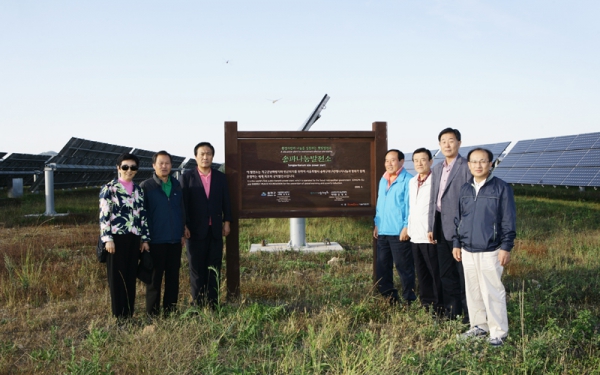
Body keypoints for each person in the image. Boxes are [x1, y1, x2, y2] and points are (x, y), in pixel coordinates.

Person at [453, 148, 516, 346]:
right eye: (474, 162)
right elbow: (459, 219)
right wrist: (457, 243)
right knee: (473, 290)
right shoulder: (465, 189)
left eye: (483, 161)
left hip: (491, 249)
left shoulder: (501, 188)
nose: (478, 165)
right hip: (467, 249)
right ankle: (479, 326)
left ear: (491, 164)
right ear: (469, 165)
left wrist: (506, 246)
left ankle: (498, 332)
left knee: (492, 291)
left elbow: (508, 220)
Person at [179, 142, 232, 308]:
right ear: (196, 156)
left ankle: (213, 303)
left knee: (214, 267)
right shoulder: (187, 177)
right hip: (194, 232)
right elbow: (183, 204)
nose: (205, 157)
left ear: (212, 156)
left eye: (208, 153)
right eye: (202, 154)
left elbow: (226, 202)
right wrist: (184, 225)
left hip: (215, 230)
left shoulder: (220, 177)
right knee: (196, 269)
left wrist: (227, 222)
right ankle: (197, 304)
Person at [427, 128, 472, 321]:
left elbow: (469, 201)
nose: (447, 144)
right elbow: (433, 199)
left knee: (463, 274)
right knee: (445, 272)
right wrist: (430, 226)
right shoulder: (437, 168)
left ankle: (470, 315)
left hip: (459, 227)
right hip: (439, 225)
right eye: (443, 141)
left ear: (459, 143)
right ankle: (452, 312)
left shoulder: (466, 166)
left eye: (451, 140)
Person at [99, 153, 150, 320]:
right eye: (125, 167)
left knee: (129, 277)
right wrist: (108, 239)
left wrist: (144, 239)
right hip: (116, 239)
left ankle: (129, 314)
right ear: (118, 168)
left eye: (133, 167)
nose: (129, 170)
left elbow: (143, 216)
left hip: (134, 238)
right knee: (117, 279)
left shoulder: (138, 190)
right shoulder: (109, 189)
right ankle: (119, 316)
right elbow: (104, 215)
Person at [140, 151, 186, 316]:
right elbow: (142, 214)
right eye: (161, 163)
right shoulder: (146, 186)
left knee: (173, 278)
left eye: (167, 163)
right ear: (154, 165)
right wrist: (144, 239)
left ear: (171, 165)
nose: (164, 166)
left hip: (174, 240)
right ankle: (152, 313)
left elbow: (181, 210)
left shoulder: (176, 185)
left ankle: (170, 311)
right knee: (154, 279)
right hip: (156, 240)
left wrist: (182, 232)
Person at [373, 149, 416, 305]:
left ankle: (409, 299)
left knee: (404, 267)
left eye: (392, 160)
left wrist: (406, 227)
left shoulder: (408, 180)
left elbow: (410, 207)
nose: (389, 164)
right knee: (383, 267)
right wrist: (376, 223)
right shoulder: (383, 180)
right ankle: (389, 298)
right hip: (383, 230)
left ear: (401, 161)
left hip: (399, 232)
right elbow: (380, 204)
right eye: (386, 160)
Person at [407, 148, 443, 312]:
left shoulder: (436, 180)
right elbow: (411, 207)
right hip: (415, 235)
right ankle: (426, 303)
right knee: (421, 272)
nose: (419, 163)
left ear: (431, 161)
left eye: (423, 160)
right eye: (416, 160)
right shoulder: (412, 181)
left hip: (429, 235)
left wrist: (435, 229)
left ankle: (439, 305)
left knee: (434, 272)